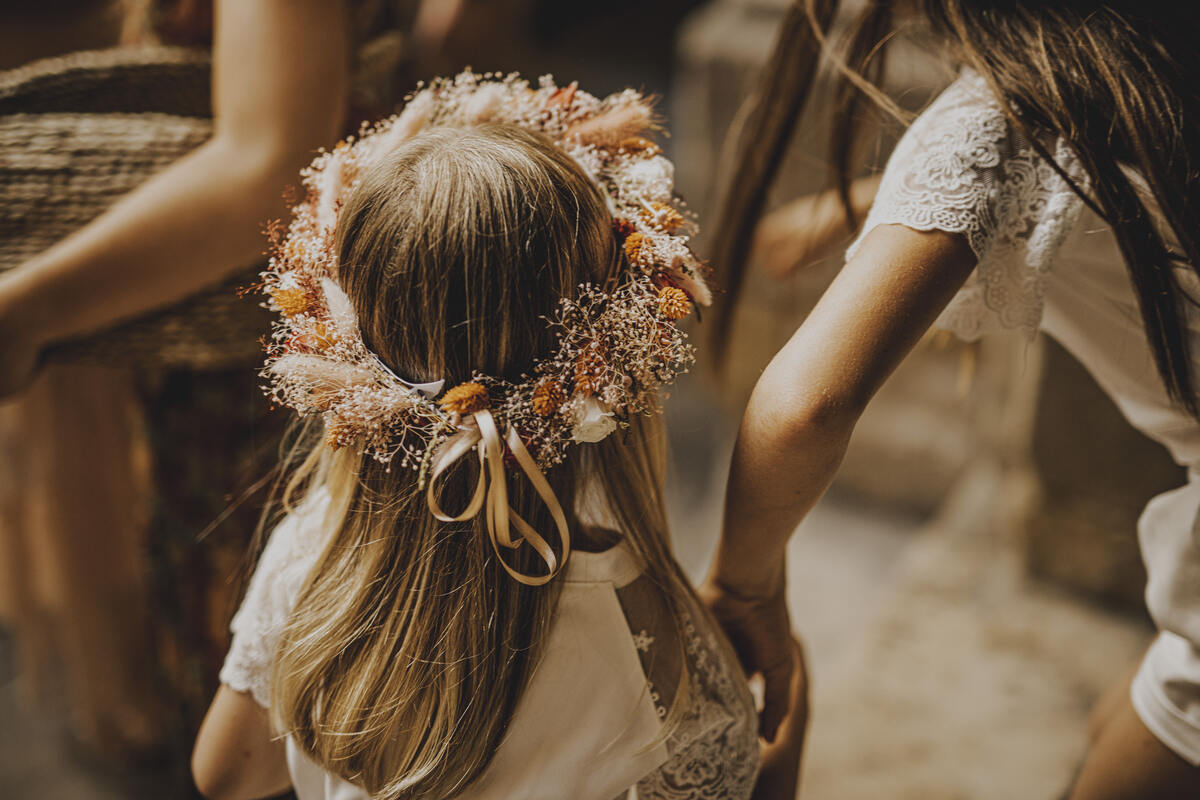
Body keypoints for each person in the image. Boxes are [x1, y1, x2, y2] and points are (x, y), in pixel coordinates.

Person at [190, 73, 805, 800]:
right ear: (616, 364)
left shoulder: (310, 561)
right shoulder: (660, 656)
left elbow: (225, 774)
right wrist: (791, 737)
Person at [701, 2, 1200, 799]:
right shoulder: (1134, 40)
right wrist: (870, 201)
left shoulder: (995, 116)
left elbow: (802, 408)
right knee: (1116, 724)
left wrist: (742, 584)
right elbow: (1058, 164)